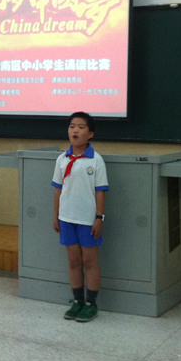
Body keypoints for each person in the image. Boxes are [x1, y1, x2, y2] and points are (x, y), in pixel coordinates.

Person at [52, 112, 108, 322]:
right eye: (72, 126)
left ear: (90, 133)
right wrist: (56, 216)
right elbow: (58, 190)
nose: (75, 130)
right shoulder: (62, 159)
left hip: (87, 220)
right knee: (74, 261)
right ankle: (77, 301)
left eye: (81, 127)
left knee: (89, 261)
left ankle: (91, 304)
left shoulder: (96, 160)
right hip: (67, 218)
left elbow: (100, 191)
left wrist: (99, 218)